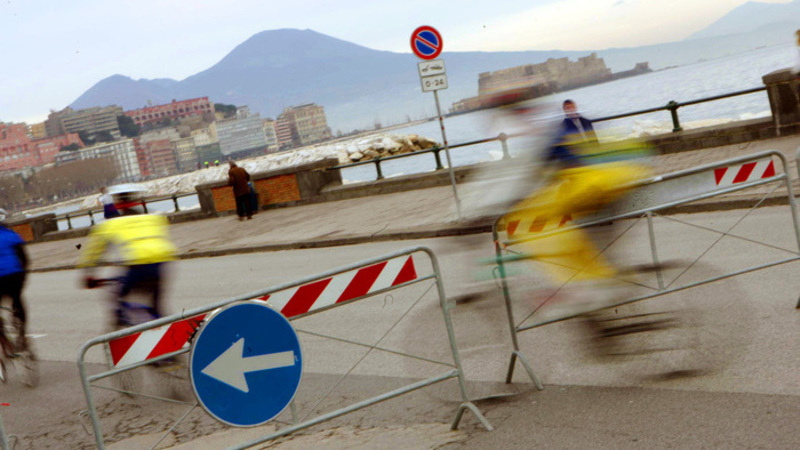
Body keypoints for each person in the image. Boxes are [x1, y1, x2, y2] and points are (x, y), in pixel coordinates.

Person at [78, 184, 177, 326]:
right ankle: (164, 325)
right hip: (161, 264)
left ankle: (123, 322)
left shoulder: (111, 223)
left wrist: (89, 274)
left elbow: (93, 251)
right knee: (157, 307)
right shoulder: (154, 218)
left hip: (137, 266)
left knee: (117, 297)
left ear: (117, 203)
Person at [0, 208, 30, 357]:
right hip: (15, 275)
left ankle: (4, 340)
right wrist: (22, 277)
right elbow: (24, 259)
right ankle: (21, 334)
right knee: (18, 302)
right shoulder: (12, 235)